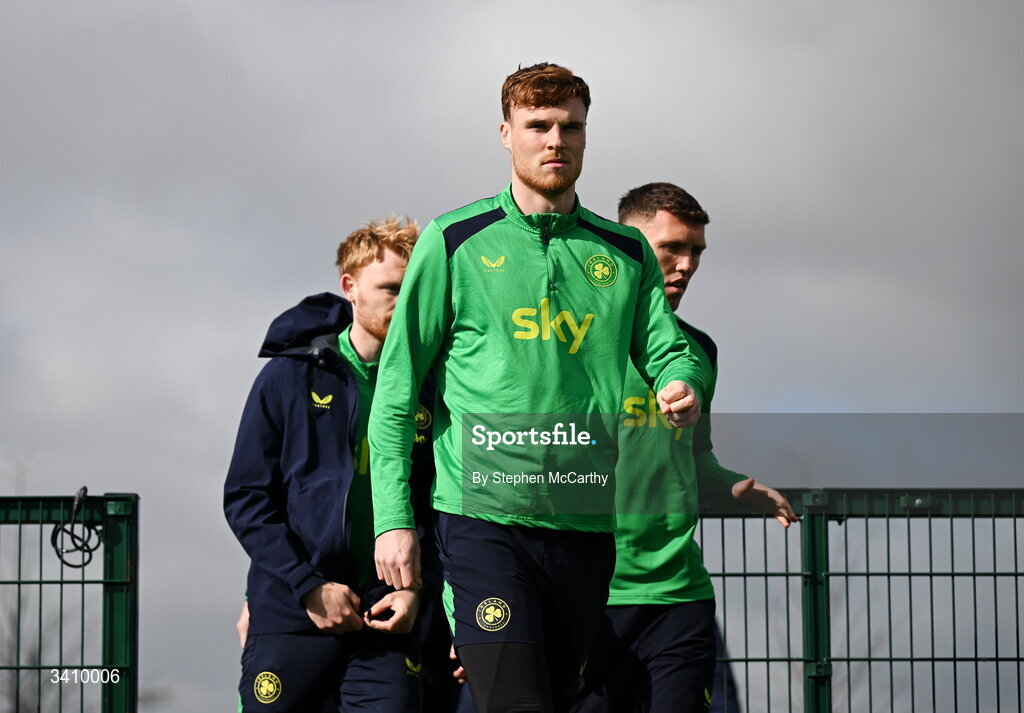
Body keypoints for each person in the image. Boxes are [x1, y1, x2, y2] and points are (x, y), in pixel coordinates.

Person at [368, 64, 710, 713]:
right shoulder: (455, 241)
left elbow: (666, 347)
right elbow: (397, 387)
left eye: (570, 126)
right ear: (507, 133)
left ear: (585, 136)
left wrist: (679, 381)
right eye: (538, 126)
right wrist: (393, 521)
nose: (555, 140)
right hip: (482, 522)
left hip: (584, 522)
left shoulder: (626, 252)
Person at [572, 182, 797, 713]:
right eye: (671, 247)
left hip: (679, 597)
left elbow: (695, 459)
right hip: (588, 597)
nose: (686, 264)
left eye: (695, 251)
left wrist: (735, 486)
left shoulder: (699, 351)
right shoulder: (570, 340)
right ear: (626, 243)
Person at [224, 217, 437, 713]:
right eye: (389, 288)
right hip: (293, 612)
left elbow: (440, 506)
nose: (402, 303)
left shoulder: (435, 388)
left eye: (413, 292)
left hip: (387, 617)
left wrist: (417, 593)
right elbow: (246, 498)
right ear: (350, 288)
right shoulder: (287, 377)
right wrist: (307, 587)